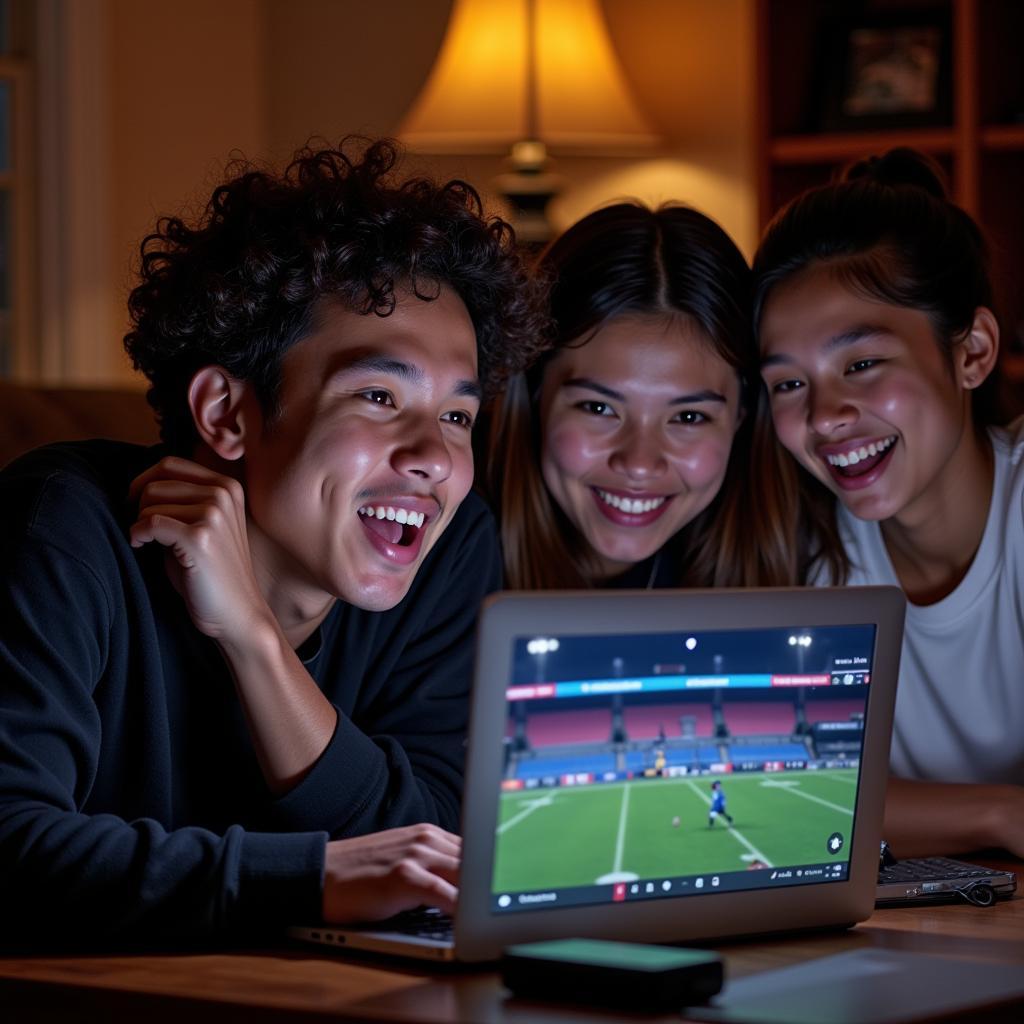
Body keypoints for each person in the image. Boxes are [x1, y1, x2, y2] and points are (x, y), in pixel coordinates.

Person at [0, 138, 547, 942]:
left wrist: (255, 644)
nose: (434, 458)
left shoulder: (451, 548)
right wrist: (312, 878)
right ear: (225, 413)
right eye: (377, 395)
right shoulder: (62, 528)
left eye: (457, 415)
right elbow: (13, 846)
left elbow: (437, 845)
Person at [753, 147, 1024, 858]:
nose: (825, 416)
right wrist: (1003, 815)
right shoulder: (804, 549)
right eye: (788, 383)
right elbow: (793, 796)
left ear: (972, 352)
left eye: (862, 364)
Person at [483, 202, 791, 590]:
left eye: (689, 417)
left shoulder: (803, 569)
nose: (640, 464)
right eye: (599, 408)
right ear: (534, 394)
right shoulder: (437, 566)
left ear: (740, 418)